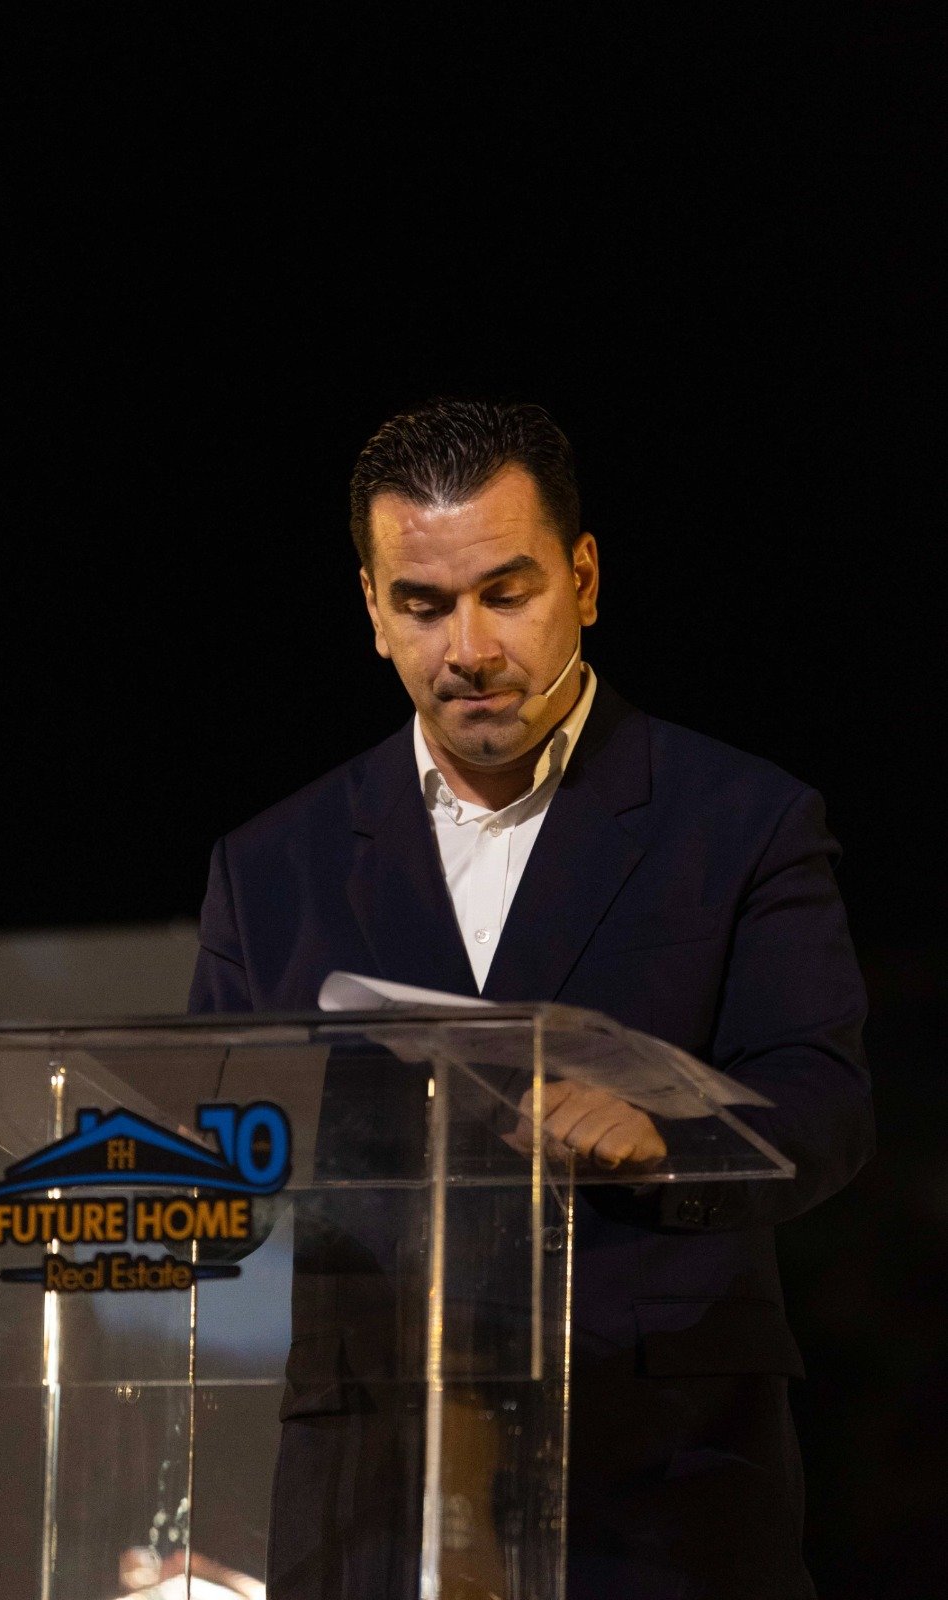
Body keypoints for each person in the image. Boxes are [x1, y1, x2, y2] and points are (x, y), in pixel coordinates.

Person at [189, 397, 873, 1599]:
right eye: (423, 605)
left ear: (584, 579)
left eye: (505, 594)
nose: (468, 647)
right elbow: (220, 1135)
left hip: (656, 1478)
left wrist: (667, 1132)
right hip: (372, 1485)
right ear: (372, 609)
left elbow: (824, 1100)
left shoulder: (739, 820)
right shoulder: (273, 865)